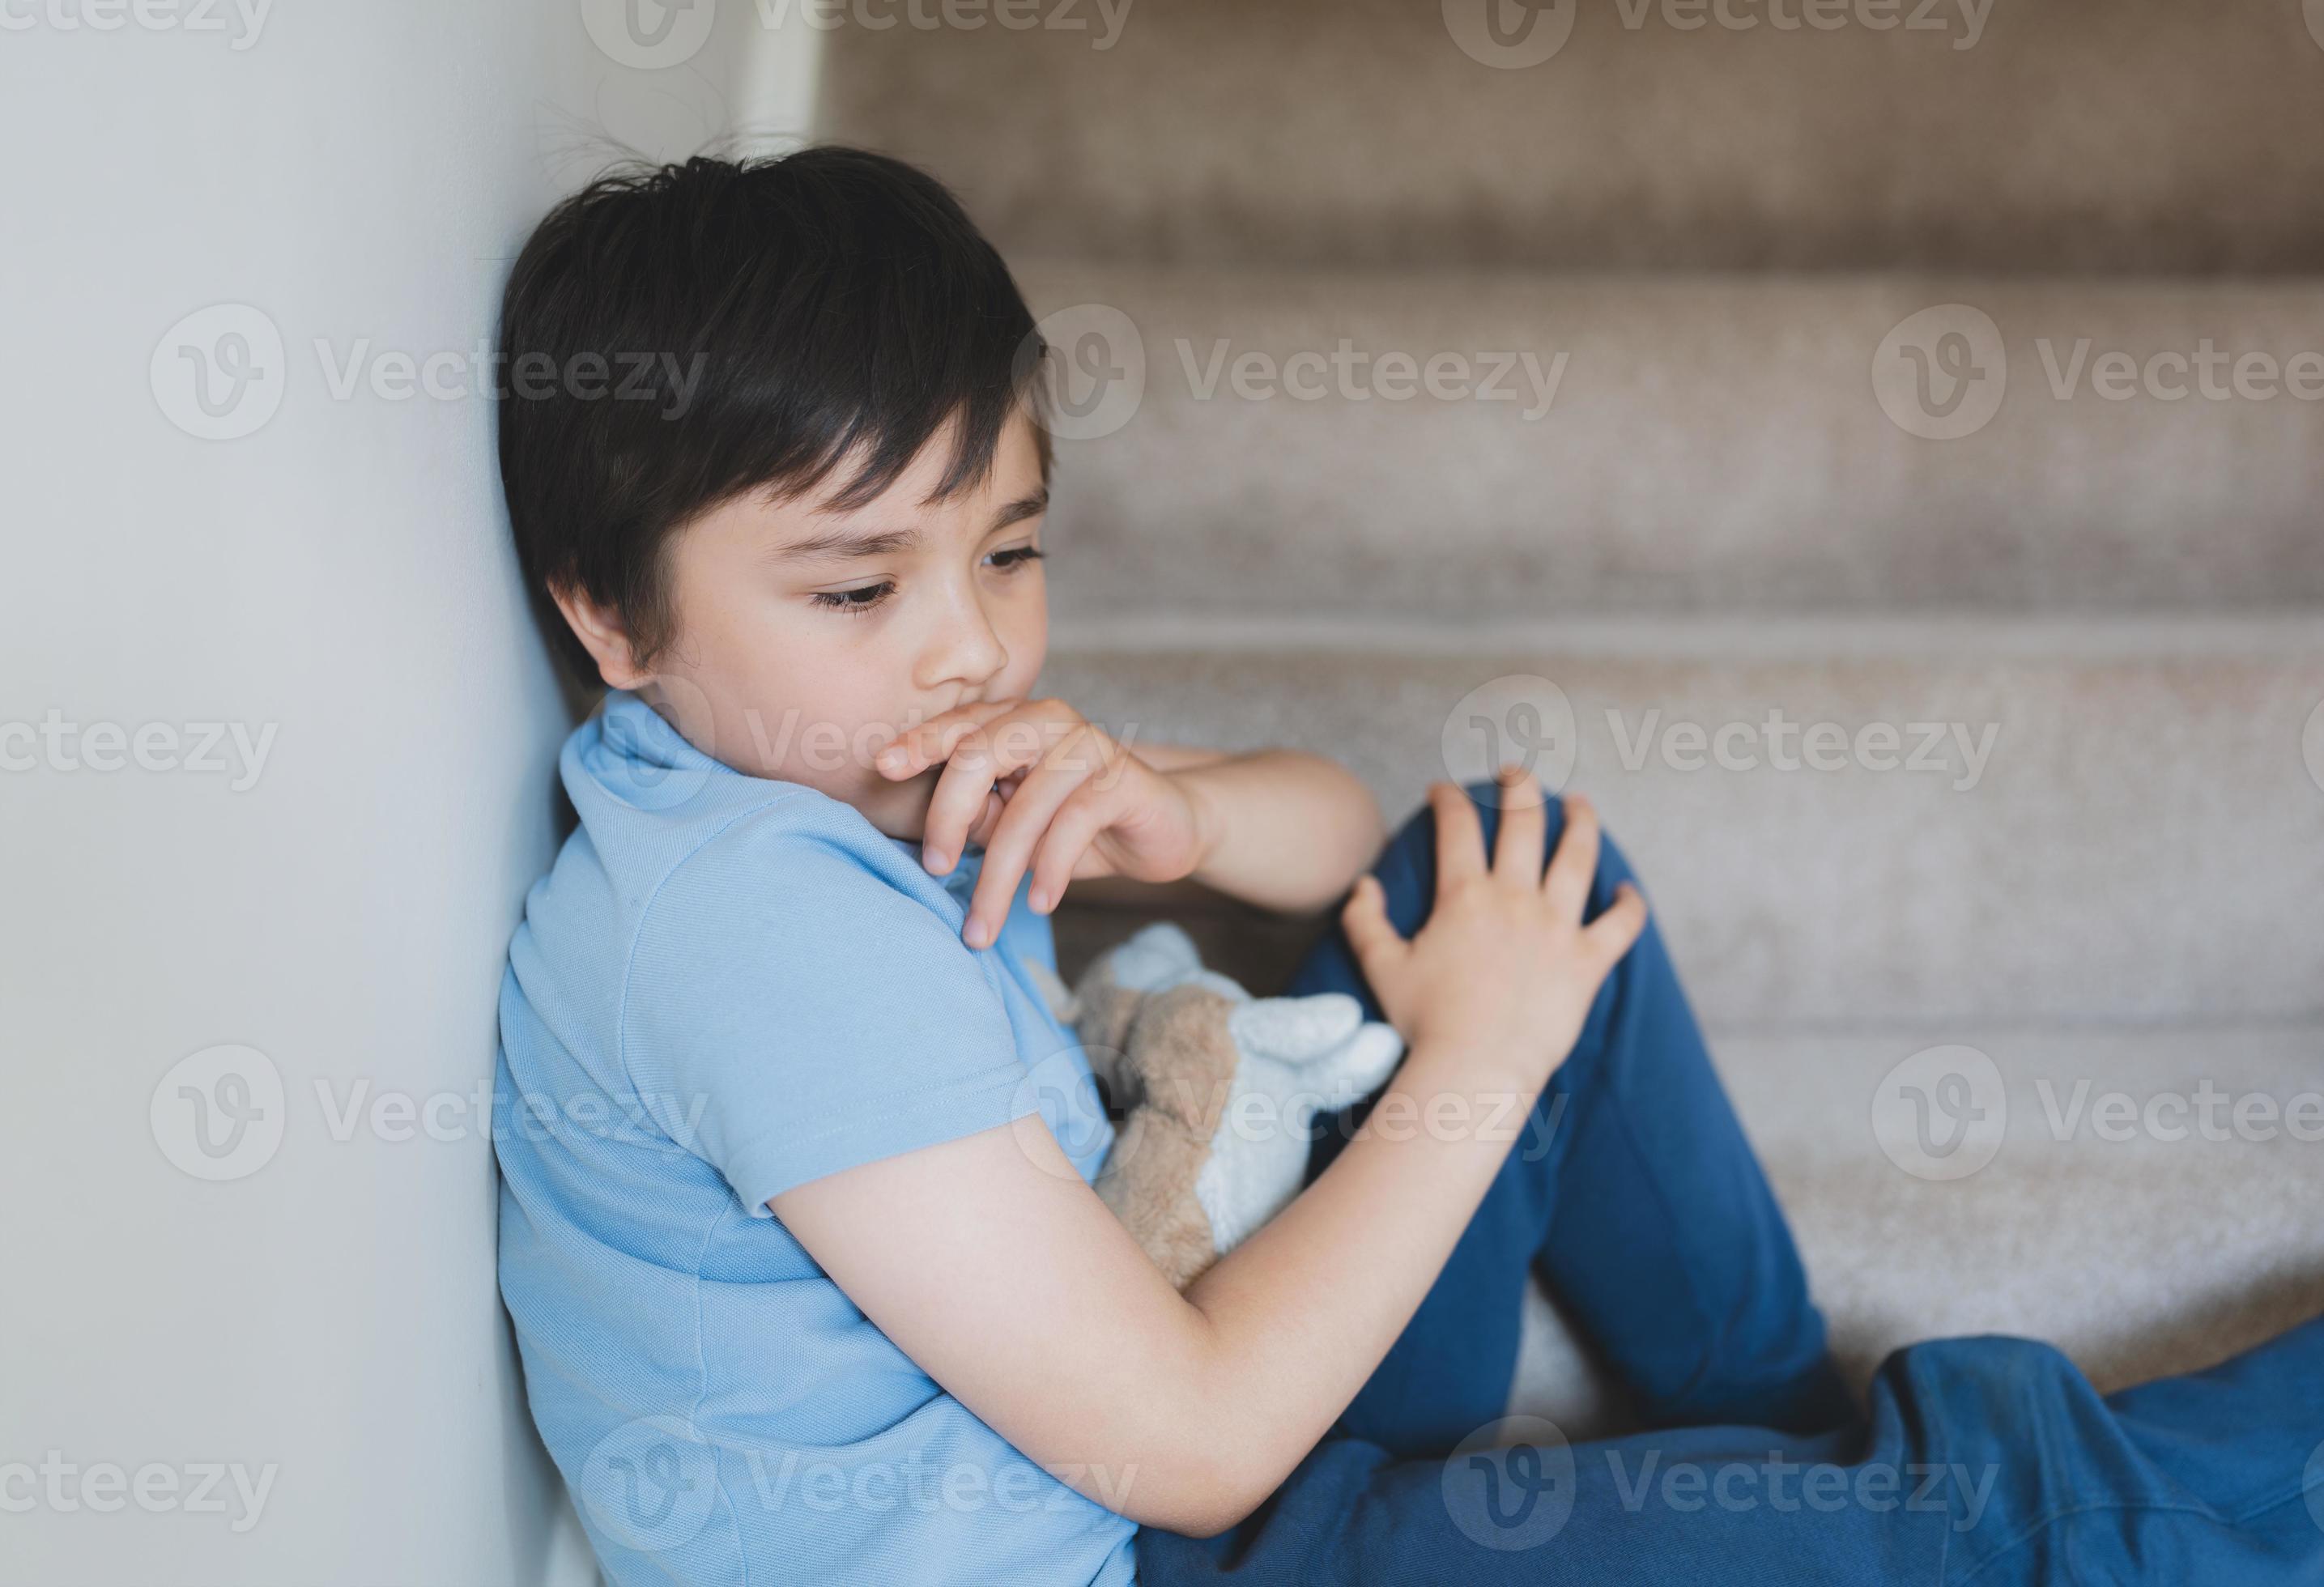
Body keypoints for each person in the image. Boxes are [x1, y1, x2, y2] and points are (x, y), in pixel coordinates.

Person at [487, 144, 2324, 1586]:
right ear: (609, 615)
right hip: (1157, 1541)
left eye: (1011, 551)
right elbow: (1190, 1448)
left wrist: (1184, 821)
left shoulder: (821, 767)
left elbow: (1341, 840)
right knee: (1976, 1518)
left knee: (1494, 874)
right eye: (857, 586)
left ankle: (1773, 1433)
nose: (968, 645)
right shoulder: (748, 926)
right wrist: (1479, 1063)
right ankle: (1910, 1505)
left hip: (1198, 1406)